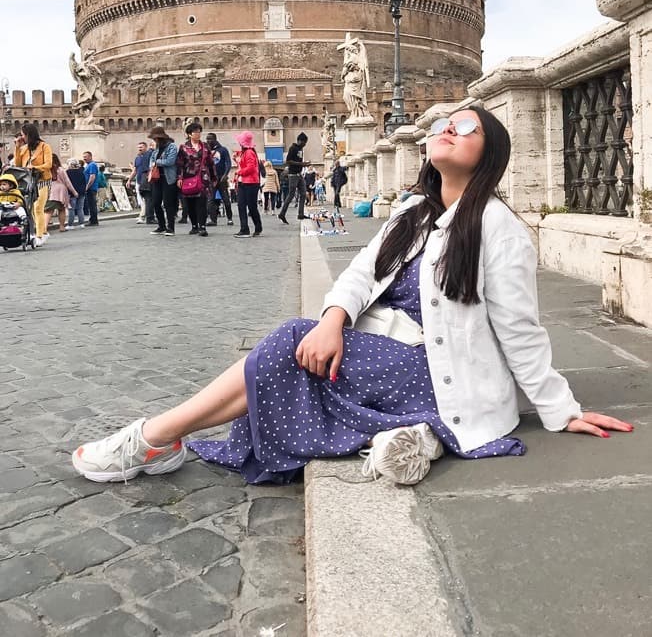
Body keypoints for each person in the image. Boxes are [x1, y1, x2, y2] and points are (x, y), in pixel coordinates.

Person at [73, 106, 635, 489]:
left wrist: (562, 410)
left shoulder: (497, 226)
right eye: (445, 122)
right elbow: (360, 276)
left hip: (440, 371)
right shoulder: (412, 214)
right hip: (394, 356)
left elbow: (520, 330)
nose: (447, 129)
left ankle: (151, 439)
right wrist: (334, 319)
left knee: (291, 344)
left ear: (489, 155)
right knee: (305, 342)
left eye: (467, 128)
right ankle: (413, 436)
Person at [14, 123, 53, 246]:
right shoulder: (24, 149)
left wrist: (35, 167)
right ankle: (43, 231)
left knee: (38, 207)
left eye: (22, 135)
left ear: (28, 134)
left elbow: (48, 164)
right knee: (29, 209)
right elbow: (18, 164)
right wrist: (17, 147)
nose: (21, 137)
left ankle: (39, 235)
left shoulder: (44, 147)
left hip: (42, 180)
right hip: (29, 182)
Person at [176, 122, 216, 237]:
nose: (198, 134)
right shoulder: (183, 148)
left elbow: (210, 163)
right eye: (195, 132)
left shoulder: (205, 146)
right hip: (188, 178)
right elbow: (180, 164)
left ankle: (202, 227)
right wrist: (179, 177)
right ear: (189, 134)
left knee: (202, 203)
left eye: (199, 132)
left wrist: (213, 177)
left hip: (203, 178)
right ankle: (194, 226)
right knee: (190, 204)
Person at [148, 127, 179, 236]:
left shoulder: (172, 147)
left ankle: (170, 227)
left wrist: (157, 162)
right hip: (157, 179)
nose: (154, 140)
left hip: (168, 178)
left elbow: (170, 161)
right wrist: (154, 163)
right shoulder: (156, 149)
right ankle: (161, 226)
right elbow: (151, 160)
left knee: (168, 203)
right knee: (155, 202)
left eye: (155, 138)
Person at [233, 131, 263, 238]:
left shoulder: (249, 152)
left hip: (250, 183)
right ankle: (244, 228)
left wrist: (239, 172)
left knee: (251, 206)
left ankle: (257, 226)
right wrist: (237, 160)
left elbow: (250, 168)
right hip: (244, 182)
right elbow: (244, 165)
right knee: (241, 205)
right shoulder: (245, 153)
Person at [278, 132, 309, 224]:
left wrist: (304, 164)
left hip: (299, 174)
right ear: (299, 141)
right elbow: (288, 161)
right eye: (304, 142)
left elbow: (298, 160)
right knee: (291, 195)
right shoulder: (293, 148)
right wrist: (301, 164)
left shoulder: (300, 149)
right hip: (293, 175)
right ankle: (282, 214)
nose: (305, 144)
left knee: (303, 193)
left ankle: (300, 213)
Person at [44, 154, 78, 234]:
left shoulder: (46, 170)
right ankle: (62, 226)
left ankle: (44, 228)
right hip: (61, 191)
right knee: (62, 209)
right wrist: (74, 192)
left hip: (50, 190)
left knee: (49, 210)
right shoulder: (60, 170)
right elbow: (67, 182)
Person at [206, 133, 233, 225]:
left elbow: (228, 163)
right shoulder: (206, 151)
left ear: (215, 139)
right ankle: (213, 220)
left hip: (221, 177)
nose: (208, 141)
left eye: (210, 139)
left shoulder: (223, 150)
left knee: (225, 199)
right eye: (207, 139)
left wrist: (225, 175)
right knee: (211, 199)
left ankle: (230, 218)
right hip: (211, 179)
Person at [127, 142, 152, 224]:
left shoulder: (149, 156)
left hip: (146, 180)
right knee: (141, 200)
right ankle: (146, 215)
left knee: (146, 200)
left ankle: (143, 216)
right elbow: (135, 171)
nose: (139, 149)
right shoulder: (137, 158)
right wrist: (129, 180)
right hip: (138, 181)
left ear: (146, 147)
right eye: (138, 147)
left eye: (141, 147)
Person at [81, 152, 100, 226]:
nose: (84, 158)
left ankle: (94, 220)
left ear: (90, 157)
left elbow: (92, 177)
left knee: (92, 204)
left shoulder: (92, 165)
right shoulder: (89, 165)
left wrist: (87, 187)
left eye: (85, 157)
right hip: (90, 187)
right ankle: (92, 219)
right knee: (91, 204)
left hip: (91, 188)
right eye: (83, 157)